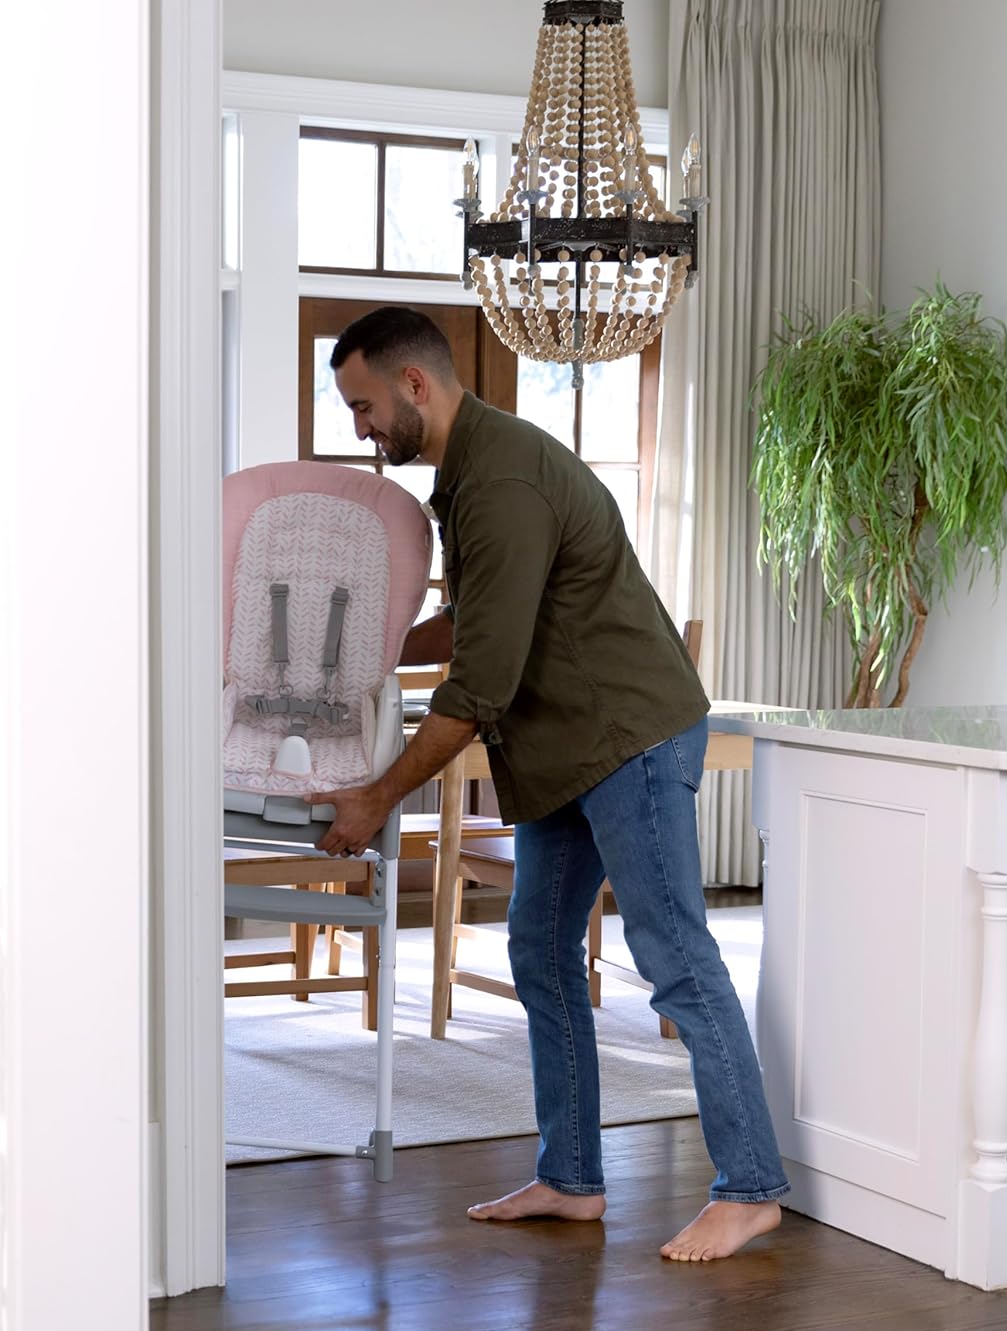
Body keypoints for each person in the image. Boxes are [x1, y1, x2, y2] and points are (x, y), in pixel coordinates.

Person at [310, 305, 788, 1262]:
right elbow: (481, 618)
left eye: (363, 407)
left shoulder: (503, 479)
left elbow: (478, 684)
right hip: (566, 749)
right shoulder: (470, 475)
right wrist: (363, 654)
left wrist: (376, 796)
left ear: (414, 385)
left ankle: (752, 1187)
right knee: (538, 948)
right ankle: (572, 1177)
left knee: (676, 957)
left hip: (627, 737)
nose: (360, 429)